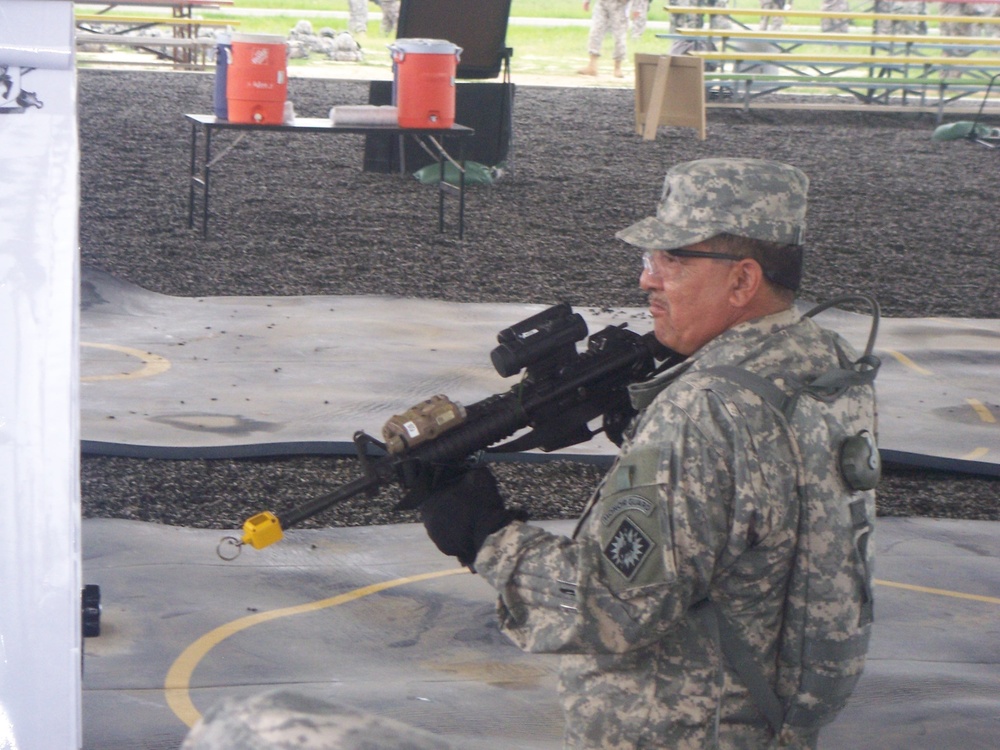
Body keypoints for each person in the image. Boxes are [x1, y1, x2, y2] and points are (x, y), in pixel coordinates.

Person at [418, 158, 878, 749]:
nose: (648, 279)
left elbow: (609, 607)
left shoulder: (702, 411)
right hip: (767, 721)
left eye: (674, 259)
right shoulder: (823, 360)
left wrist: (486, 536)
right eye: (650, 258)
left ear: (742, 281)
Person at [578, 0, 631, 77]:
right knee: (595, 31)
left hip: (619, 4)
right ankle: (592, 66)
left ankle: (617, 67)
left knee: (619, 35)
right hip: (602, 3)